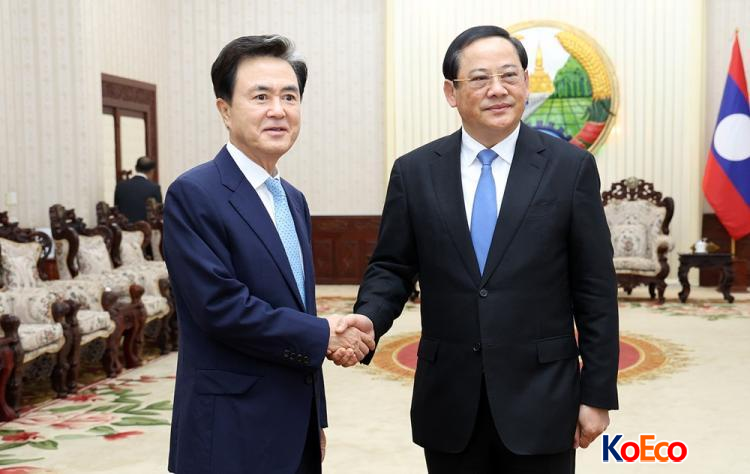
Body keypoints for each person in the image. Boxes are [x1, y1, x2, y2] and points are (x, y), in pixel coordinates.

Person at [337, 25, 620, 473]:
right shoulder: (415, 172)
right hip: (450, 398)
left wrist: (597, 394)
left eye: (509, 75)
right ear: (451, 93)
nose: (498, 89)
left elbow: (595, 288)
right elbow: (392, 266)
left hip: (543, 397)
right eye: (481, 78)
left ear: (526, 83)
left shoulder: (570, 169)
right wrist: (369, 319)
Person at [163, 35, 375, 474]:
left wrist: (315, 419)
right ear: (225, 110)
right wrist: (324, 334)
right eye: (260, 97)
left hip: (294, 426)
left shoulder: (291, 199)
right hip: (230, 430)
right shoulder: (194, 193)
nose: (278, 110)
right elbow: (221, 308)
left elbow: (296, 307)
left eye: (289, 97)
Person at [114, 156, 163, 222]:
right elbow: (158, 213)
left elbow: (116, 210)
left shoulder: (120, 186)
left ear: (136, 168)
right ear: (152, 170)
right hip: (146, 227)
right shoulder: (154, 188)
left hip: (124, 227)